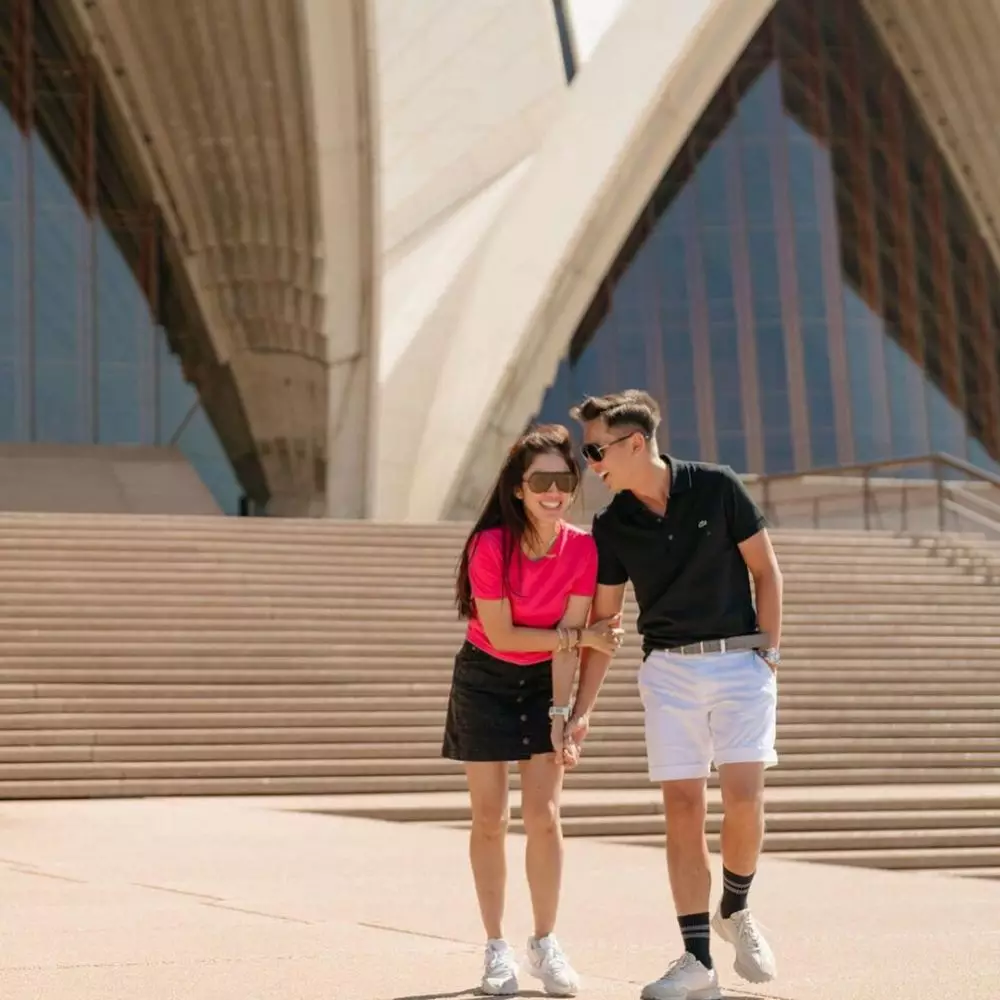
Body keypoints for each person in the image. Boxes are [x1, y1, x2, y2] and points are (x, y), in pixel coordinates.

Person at [566, 390, 783, 1000]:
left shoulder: (717, 487)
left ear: (635, 443)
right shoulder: (612, 526)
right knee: (683, 809)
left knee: (743, 799)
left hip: (741, 663)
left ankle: (735, 909)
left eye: (596, 449)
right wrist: (580, 710)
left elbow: (766, 571)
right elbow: (608, 624)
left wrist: (769, 655)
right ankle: (696, 960)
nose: (592, 464)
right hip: (669, 673)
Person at [442, 423, 624, 997]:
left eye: (563, 480)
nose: (554, 491)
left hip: (543, 681)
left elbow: (571, 634)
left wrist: (564, 715)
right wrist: (582, 641)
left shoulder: (583, 548)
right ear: (518, 488)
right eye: (540, 480)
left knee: (545, 816)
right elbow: (502, 631)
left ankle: (545, 942)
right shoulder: (489, 545)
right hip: (484, 678)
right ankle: (496, 949)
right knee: (490, 818)